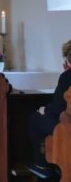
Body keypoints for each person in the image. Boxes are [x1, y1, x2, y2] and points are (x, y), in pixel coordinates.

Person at [28, 40, 71, 180]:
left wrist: (44, 110)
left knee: (36, 118)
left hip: (68, 128)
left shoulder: (67, 77)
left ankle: (43, 166)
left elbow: (59, 108)